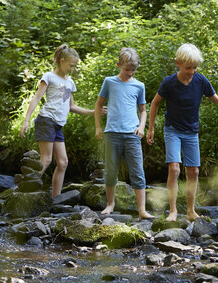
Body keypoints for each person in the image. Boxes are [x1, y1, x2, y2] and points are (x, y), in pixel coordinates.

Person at [147, 43, 218, 221]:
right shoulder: (169, 82)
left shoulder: (201, 81)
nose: (192, 71)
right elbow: (155, 103)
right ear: (177, 63)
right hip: (173, 130)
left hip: (191, 132)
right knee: (174, 168)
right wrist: (151, 128)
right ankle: (173, 211)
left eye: (195, 67)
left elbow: (216, 98)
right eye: (188, 68)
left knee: (193, 171)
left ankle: (191, 210)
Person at [20, 44, 99, 197]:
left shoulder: (70, 82)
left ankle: (56, 199)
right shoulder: (49, 77)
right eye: (71, 65)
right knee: (47, 159)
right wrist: (26, 120)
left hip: (58, 125)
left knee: (63, 163)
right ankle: (24, 189)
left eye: (75, 66)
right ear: (62, 61)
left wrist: (94, 112)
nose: (73, 69)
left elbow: (72, 106)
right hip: (46, 120)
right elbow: (36, 98)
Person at [94, 47, 154, 219]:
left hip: (132, 135)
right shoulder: (109, 82)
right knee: (111, 171)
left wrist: (142, 127)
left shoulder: (139, 86)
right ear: (119, 65)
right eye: (127, 69)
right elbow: (99, 104)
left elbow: (143, 110)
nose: (130, 72)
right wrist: (98, 127)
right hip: (112, 133)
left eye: (133, 70)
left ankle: (142, 210)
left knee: (137, 171)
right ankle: (110, 204)